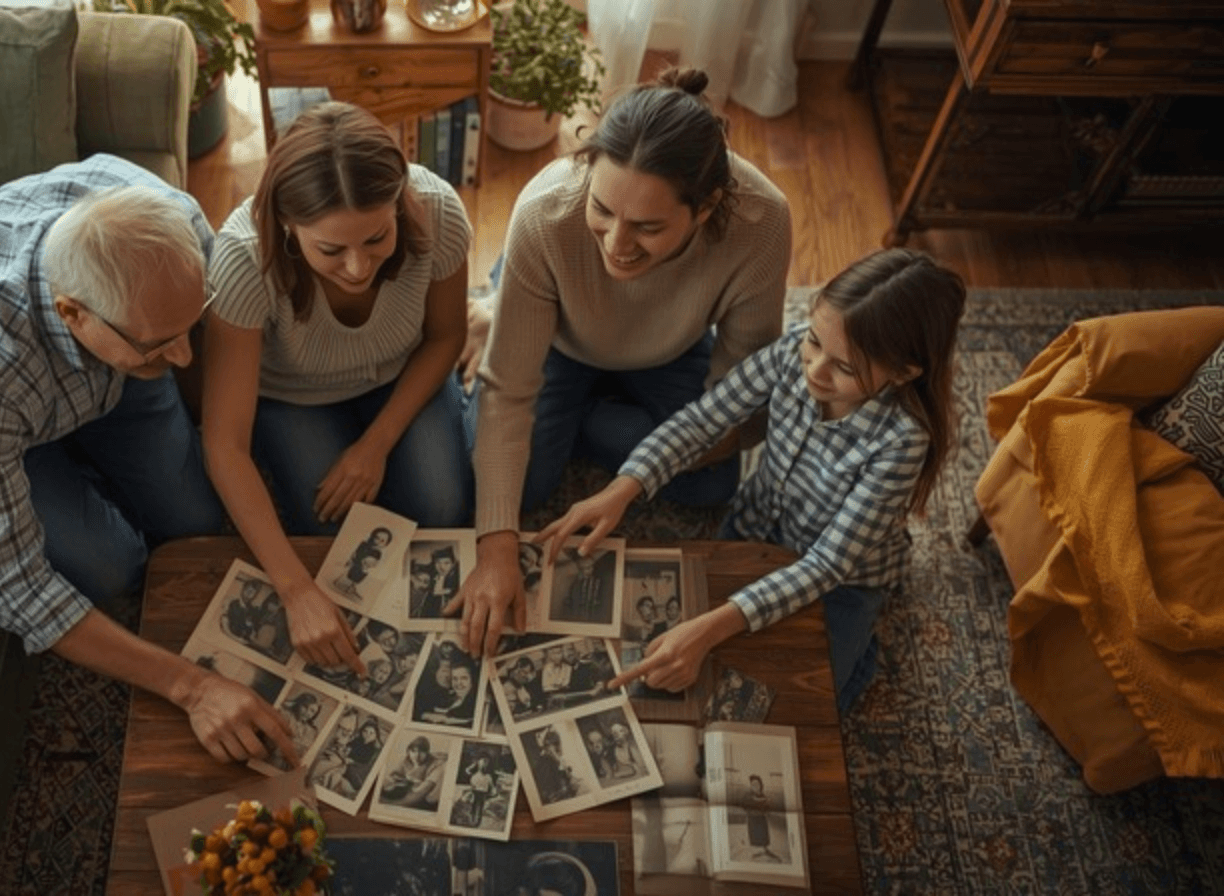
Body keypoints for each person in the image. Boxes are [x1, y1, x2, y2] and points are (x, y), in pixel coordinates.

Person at [0, 154, 293, 766]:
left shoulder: (175, 223)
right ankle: (51, 461)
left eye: (187, 329)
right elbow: (12, 583)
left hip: (106, 360)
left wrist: (157, 352)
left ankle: (97, 430)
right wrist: (192, 686)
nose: (185, 359)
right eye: (162, 344)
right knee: (112, 566)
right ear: (73, 313)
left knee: (192, 524)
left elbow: (180, 351)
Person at [451, 67, 791, 659]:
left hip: (668, 347)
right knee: (517, 489)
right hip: (557, 334)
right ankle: (505, 302)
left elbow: (740, 394)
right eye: (603, 210)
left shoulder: (762, 221)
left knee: (713, 481)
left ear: (708, 207)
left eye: (648, 227)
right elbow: (509, 393)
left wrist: (634, 479)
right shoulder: (546, 210)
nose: (616, 244)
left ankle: (565, 396)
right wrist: (496, 549)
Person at [539, 248, 966, 712]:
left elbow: (827, 564)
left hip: (845, 577)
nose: (814, 371)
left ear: (903, 373)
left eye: (844, 367)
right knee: (678, 652)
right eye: (816, 341)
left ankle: (863, 649)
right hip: (754, 526)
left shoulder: (902, 440)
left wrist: (712, 627)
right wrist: (624, 488)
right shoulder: (791, 352)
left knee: (802, 701)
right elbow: (701, 422)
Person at [203, 101, 474, 676]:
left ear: (401, 200)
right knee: (329, 535)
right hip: (292, 395)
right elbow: (224, 442)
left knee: (443, 507)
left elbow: (448, 335)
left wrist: (375, 444)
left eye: (376, 238)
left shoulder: (439, 212)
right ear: (285, 224)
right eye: (331, 249)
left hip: (403, 371)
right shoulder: (242, 257)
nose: (357, 267)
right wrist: (296, 592)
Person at [380, 735, 446, 809]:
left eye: (422, 751)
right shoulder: (406, 760)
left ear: (427, 753)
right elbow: (392, 776)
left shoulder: (437, 765)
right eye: (413, 751)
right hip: (407, 794)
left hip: (428, 802)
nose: (416, 755)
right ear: (408, 751)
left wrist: (387, 803)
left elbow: (419, 794)